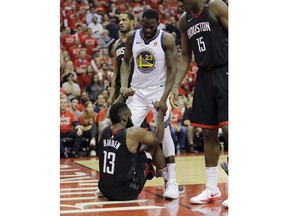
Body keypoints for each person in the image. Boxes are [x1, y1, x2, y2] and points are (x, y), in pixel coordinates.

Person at [172, 0, 228, 205]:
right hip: (204, 76)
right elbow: (186, 55)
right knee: (208, 132)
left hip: (226, 69)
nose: (180, 3)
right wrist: (176, 84)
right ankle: (212, 189)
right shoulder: (183, 21)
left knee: (229, 129)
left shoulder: (215, 8)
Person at [120, 9, 180, 199]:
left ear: (158, 23)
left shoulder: (167, 39)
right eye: (144, 26)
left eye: (151, 27)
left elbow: (172, 70)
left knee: (166, 134)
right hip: (136, 91)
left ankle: (171, 182)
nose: (147, 30)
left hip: (158, 90)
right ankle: (120, 177)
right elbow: (126, 62)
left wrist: (164, 98)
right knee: (125, 132)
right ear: (140, 22)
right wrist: (123, 86)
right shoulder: (132, 37)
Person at [97, 99, 168, 201]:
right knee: (153, 146)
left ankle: (147, 169)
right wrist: (161, 114)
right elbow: (158, 138)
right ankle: (167, 180)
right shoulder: (132, 133)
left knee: (133, 151)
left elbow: (111, 112)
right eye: (130, 116)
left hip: (104, 190)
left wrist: (122, 97)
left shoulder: (102, 128)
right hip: (125, 192)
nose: (131, 119)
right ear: (125, 118)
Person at [107, 12, 135, 107]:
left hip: (135, 89)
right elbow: (115, 71)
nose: (120, 23)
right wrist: (111, 96)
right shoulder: (116, 44)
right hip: (120, 89)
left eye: (124, 20)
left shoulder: (139, 40)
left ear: (132, 22)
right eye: (120, 20)